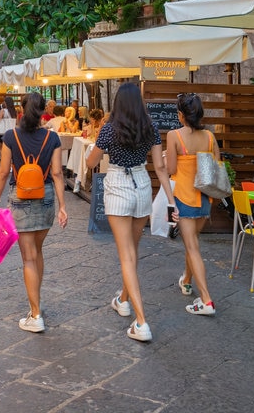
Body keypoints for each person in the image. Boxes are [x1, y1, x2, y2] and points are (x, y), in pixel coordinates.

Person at [86, 82, 173, 342]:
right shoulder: (151, 128)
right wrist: (171, 200)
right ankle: (123, 300)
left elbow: (91, 162)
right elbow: (159, 167)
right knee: (132, 253)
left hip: (118, 186)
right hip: (142, 185)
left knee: (126, 256)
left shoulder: (110, 129)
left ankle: (142, 322)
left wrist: (95, 149)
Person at [0, 92, 68, 333]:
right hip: (46, 198)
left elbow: (2, 173)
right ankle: (36, 303)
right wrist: (63, 206)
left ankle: (36, 314)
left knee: (28, 258)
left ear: (22, 109)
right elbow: (56, 174)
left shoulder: (11, 136)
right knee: (38, 252)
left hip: (20, 198)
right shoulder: (52, 138)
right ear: (44, 111)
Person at [165, 92, 218, 316]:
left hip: (184, 197)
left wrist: (169, 158)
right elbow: (216, 164)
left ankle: (206, 299)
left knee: (192, 247)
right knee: (192, 243)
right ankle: (186, 280)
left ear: (180, 115)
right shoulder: (209, 136)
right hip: (205, 197)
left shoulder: (174, 135)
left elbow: (171, 170)